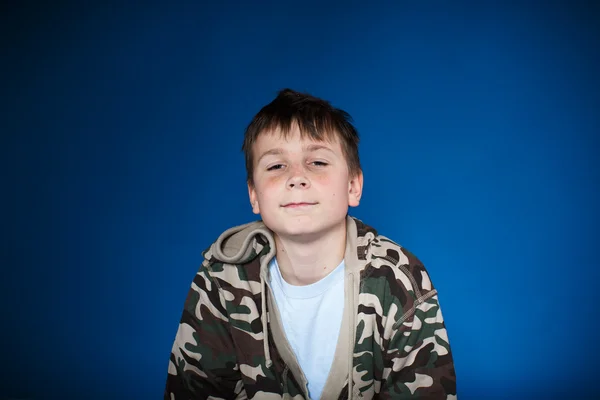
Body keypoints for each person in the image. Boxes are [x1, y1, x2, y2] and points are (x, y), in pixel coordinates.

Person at [164, 89, 457, 399]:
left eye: (317, 162)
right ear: (254, 195)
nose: (297, 178)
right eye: (276, 166)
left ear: (353, 186)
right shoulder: (222, 278)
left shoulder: (399, 279)